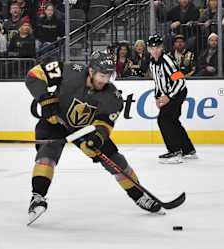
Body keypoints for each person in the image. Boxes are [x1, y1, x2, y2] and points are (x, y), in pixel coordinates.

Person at [24, 51, 165, 224]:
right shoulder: (70, 71)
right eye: (102, 74)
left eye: (108, 75)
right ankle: (37, 198)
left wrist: (96, 139)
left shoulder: (113, 97)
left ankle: (139, 195)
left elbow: (104, 125)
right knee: (47, 156)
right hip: (56, 121)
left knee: (116, 161)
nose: (104, 80)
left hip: (85, 130)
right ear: (91, 70)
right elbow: (34, 75)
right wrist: (45, 100)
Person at [147, 34, 197, 164]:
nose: (155, 50)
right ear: (148, 49)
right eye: (152, 48)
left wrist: (169, 97)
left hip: (178, 92)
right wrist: (158, 97)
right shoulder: (152, 62)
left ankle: (175, 151)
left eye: (157, 47)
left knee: (164, 120)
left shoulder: (167, 60)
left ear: (162, 47)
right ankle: (188, 150)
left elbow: (180, 81)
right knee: (173, 121)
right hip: (170, 94)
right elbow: (158, 82)